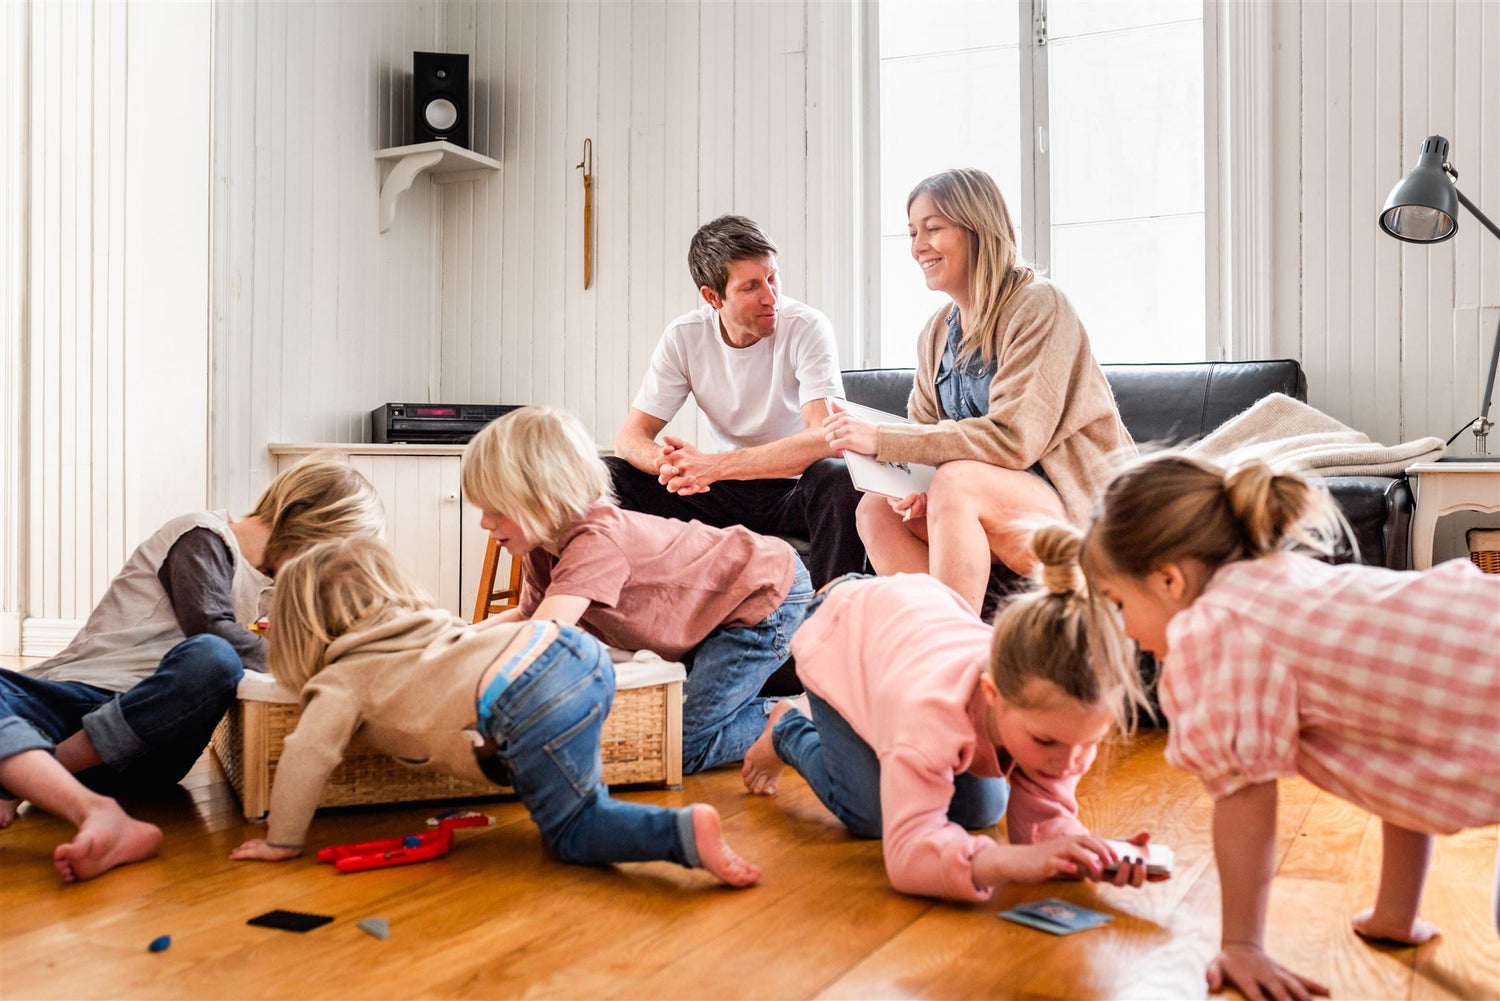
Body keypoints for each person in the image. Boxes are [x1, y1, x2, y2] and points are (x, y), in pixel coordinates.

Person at [1080, 451, 1500, 1001]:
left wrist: (1242, 945)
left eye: (1117, 604)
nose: (1128, 632)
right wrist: (1396, 914)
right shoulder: (1278, 582)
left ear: (1168, 580)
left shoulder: (1219, 628)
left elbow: (1244, 799)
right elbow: (1397, 739)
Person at [230, 536, 759, 888]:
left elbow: (307, 752)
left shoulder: (340, 679)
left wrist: (282, 840)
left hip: (523, 691)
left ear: (303, 630)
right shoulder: (434, 629)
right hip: (574, 652)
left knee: (574, 831)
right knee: (570, 770)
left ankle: (683, 834)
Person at [0, 454, 385, 881]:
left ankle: (27, 777)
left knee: (213, 661)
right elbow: (212, 625)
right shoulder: (201, 534)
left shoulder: (278, 588)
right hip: (82, 695)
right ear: (315, 526)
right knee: (215, 648)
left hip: (150, 746)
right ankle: (58, 791)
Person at [740, 525, 1162, 904]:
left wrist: (1089, 854)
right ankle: (788, 727)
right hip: (843, 627)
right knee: (873, 816)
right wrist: (1010, 862)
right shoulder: (928, 711)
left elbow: (1045, 826)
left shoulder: (1058, 715)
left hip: (913, 624)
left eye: (1088, 743)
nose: (1069, 762)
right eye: (1047, 742)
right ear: (993, 693)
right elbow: (908, 857)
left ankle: (884, 748)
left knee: (980, 813)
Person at [823, 168, 1132, 616]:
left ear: (977, 228)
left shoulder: (1039, 305)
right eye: (912, 233)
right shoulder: (935, 333)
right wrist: (912, 487)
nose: (917, 247)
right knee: (876, 509)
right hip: (988, 507)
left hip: (1076, 511)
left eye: (933, 229)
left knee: (957, 481)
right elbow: (924, 435)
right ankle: (950, 639)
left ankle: (956, 662)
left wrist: (882, 439)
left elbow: (1013, 439)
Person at [463, 406, 813, 775]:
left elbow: (548, 636)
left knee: (679, 746)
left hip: (764, 596)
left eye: (497, 509)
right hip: (717, 607)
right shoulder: (541, 546)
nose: (485, 522)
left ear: (545, 499)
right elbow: (528, 617)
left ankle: (805, 715)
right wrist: (456, 638)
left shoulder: (595, 540)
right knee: (678, 722)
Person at [607, 214, 864, 589]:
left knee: (839, 478)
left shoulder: (806, 327)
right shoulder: (685, 337)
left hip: (793, 489)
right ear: (713, 297)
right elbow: (630, 438)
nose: (770, 297)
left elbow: (826, 437)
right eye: (751, 287)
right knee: (610, 475)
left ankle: (832, 616)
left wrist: (712, 466)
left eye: (773, 278)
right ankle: (628, 612)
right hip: (724, 496)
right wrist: (669, 465)